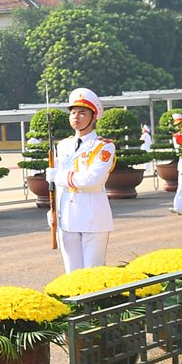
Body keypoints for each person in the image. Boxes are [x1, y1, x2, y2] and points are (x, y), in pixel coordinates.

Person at [49, 88, 114, 274]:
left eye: (82, 113)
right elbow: (59, 188)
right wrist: (54, 210)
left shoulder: (103, 147)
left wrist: (58, 177)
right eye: (73, 112)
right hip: (67, 216)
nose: (76, 117)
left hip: (93, 215)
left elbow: (92, 179)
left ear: (94, 117)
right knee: (72, 274)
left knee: (93, 272)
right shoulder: (63, 146)